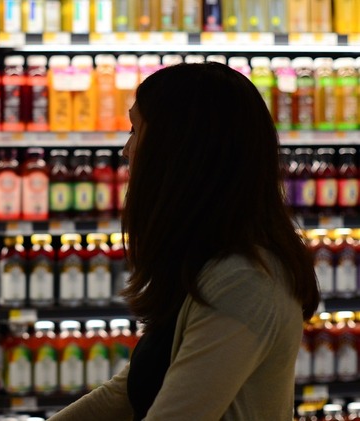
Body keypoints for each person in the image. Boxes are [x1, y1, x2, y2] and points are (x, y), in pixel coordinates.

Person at [48, 62, 320, 420]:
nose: (127, 151)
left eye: (135, 130)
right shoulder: (206, 260)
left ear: (178, 152)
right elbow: (127, 393)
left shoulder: (244, 282)